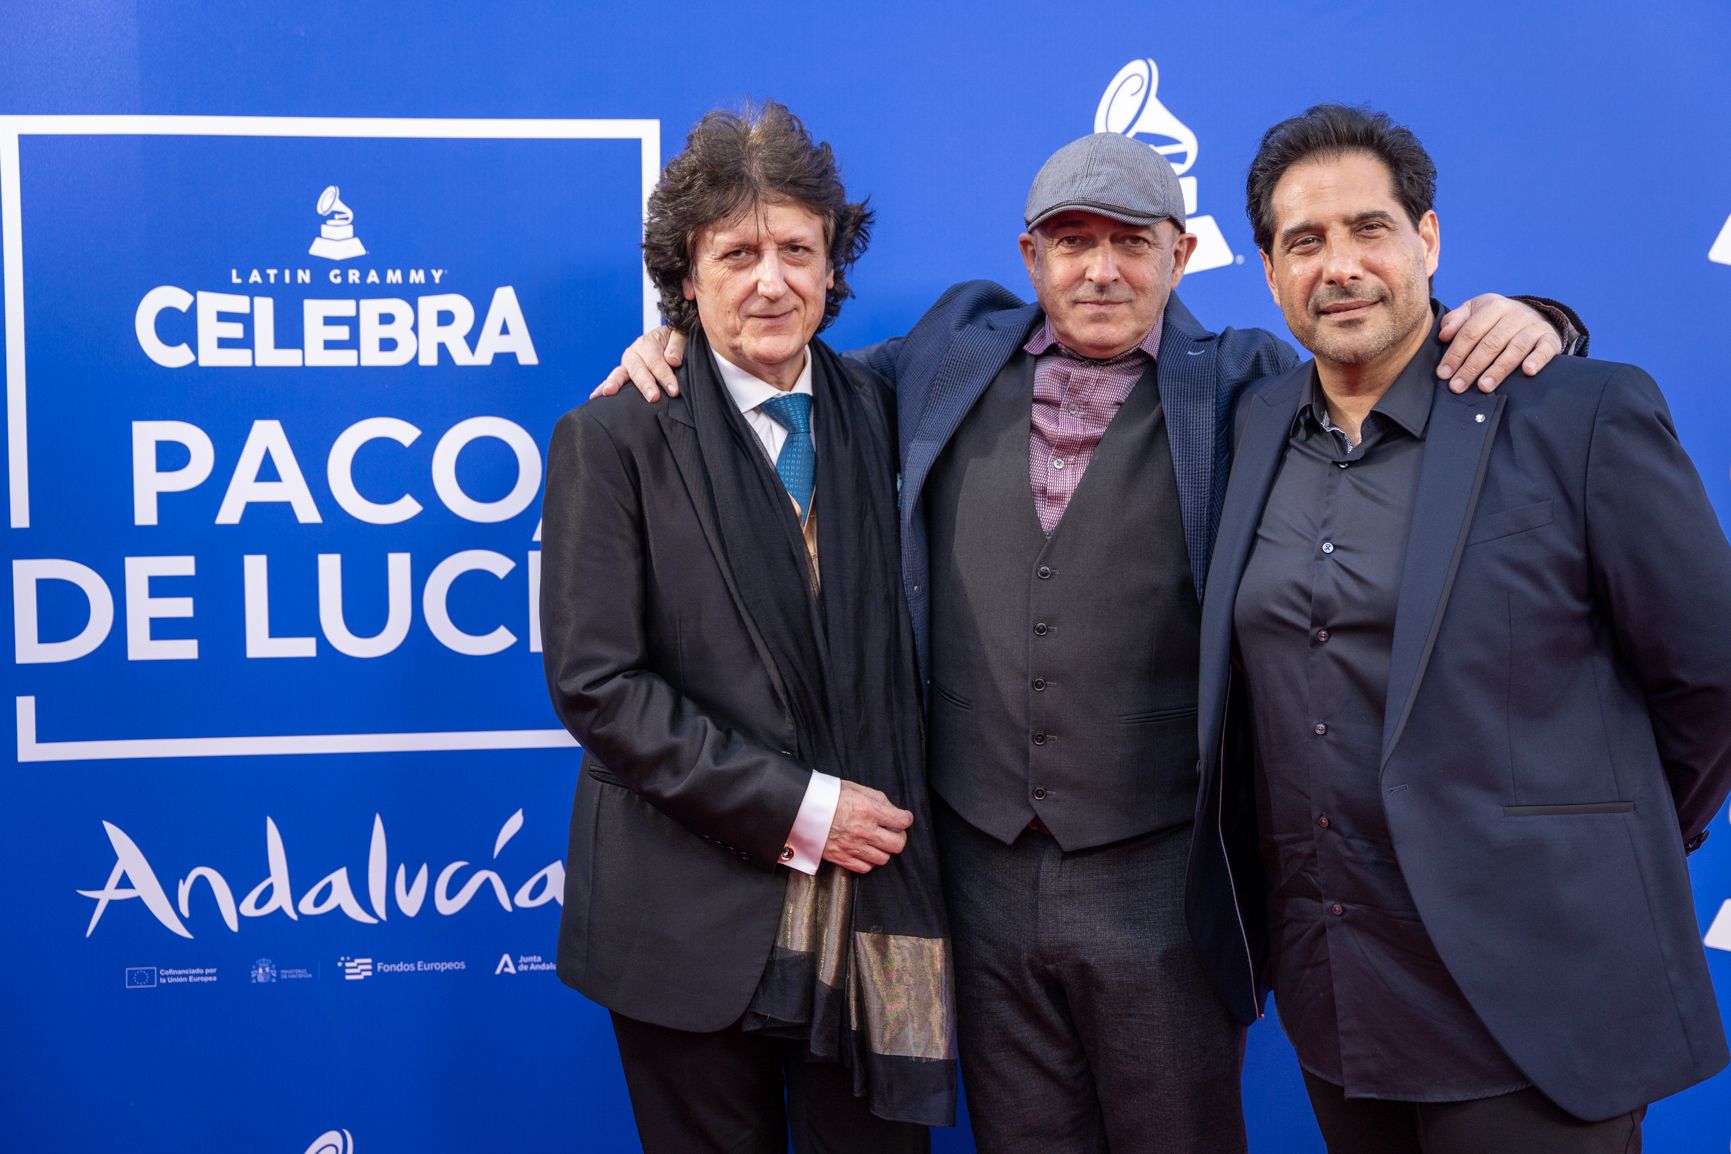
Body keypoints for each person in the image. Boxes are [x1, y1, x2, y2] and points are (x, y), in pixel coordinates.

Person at [603, 126, 1575, 1153]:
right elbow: (792, 379)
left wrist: (1536, 318)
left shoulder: (1246, 379)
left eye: (1130, 241)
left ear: (1182, 254)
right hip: (972, 869)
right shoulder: (947, 354)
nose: (1100, 269)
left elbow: (1378, 363)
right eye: (1071, 242)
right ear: (1030, 259)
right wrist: (680, 342)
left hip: (1157, 874)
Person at [1191, 103, 1731, 1153]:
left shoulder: (1577, 411)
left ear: (1428, 240)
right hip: (1339, 994)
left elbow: (1713, 675)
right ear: (1266, 271)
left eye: (1368, 229)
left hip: (1539, 996)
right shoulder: (1251, 419)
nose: (1339, 265)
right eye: (1305, 241)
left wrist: (1613, 827)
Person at [539, 102, 953, 1154]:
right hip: (683, 925)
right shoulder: (614, 436)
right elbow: (597, 684)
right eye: (738, 253)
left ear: (831, 265)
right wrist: (803, 807)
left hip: (882, 912)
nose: (770, 280)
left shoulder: (891, 405)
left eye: (797, 250)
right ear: (686, 273)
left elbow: (1040, 323)